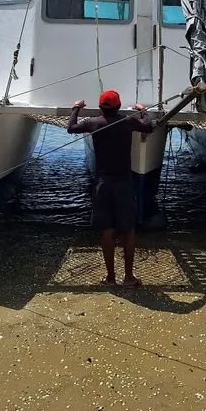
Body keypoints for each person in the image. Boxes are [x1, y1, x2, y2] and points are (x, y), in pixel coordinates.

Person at [67, 90, 154, 287]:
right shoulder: (128, 121)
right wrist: (143, 111)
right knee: (128, 230)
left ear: (100, 107)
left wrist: (76, 108)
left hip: (103, 184)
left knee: (106, 231)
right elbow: (148, 126)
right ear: (119, 106)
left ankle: (110, 278)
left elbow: (71, 128)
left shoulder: (93, 123)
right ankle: (129, 277)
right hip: (124, 183)